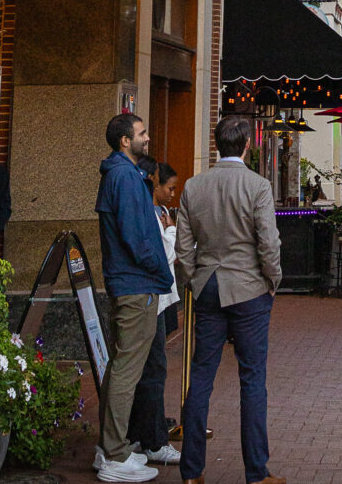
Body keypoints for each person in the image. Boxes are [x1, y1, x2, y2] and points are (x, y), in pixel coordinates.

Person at [175, 115, 284, 484]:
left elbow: (183, 246)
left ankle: (191, 471)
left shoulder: (194, 186)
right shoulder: (257, 186)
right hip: (249, 288)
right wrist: (273, 278)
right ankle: (256, 471)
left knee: (201, 376)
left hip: (208, 286)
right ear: (249, 145)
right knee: (252, 379)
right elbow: (268, 241)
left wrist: (192, 280)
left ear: (217, 144)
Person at [95, 114, 175, 483]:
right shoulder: (124, 177)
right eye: (142, 133)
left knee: (121, 366)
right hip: (135, 283)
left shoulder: (124, 175)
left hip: (132, 281)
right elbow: (135, 234)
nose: (147, 137)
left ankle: (112, 447)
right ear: (125, 141)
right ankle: (114, 454)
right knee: (128, 370)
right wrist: (156, 269)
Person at [126, 162, 181, 467]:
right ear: (154, 184)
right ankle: (153, 439)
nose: (172, 194)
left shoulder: (154, 212)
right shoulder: (151, 214)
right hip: (152, 297)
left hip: (157, 297)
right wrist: (172, 230)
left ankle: (143, 430)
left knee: (150, 367)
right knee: (154, 368)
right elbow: (165, 254)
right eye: (169, 188)